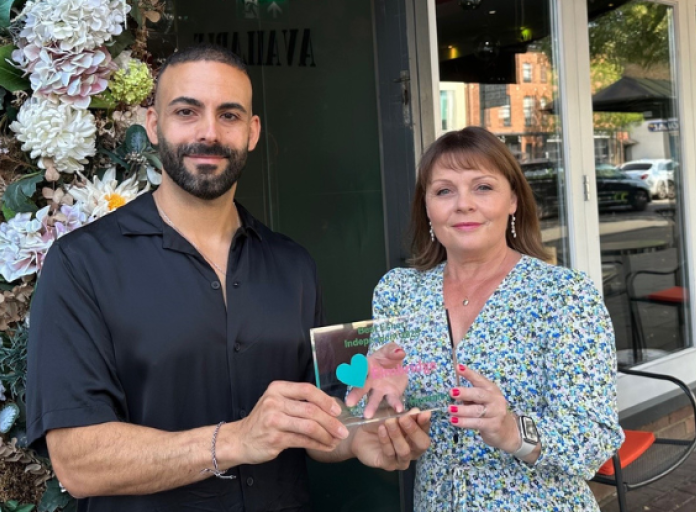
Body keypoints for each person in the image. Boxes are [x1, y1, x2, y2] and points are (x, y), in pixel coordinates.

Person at [25, 43, 430, 512]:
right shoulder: (81, 264)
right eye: (187, 111)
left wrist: (360, 436)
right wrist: (236, 440)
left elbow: (317, 421)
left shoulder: (293, 264)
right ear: (154, 126)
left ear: (253, 132)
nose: (209, 133)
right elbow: (78, 462)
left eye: (230, 115)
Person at [367, 126, 624, 511]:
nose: (463, 204)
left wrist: (509, 430)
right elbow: (377, 405)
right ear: (427, 208)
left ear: (513, 201)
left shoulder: (563, 295)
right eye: (444, 191)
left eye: (483, 187)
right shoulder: (398, 292)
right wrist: (384, 405)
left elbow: (595, 439)